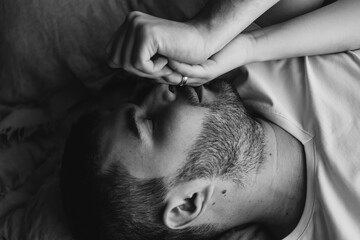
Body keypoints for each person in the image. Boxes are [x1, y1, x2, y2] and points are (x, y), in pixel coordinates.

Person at [60, 1, 360, 240]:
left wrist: (211, 33)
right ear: (187, 203)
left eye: (140, 96)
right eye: (150, 123)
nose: (160, 91)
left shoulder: (245, 63)